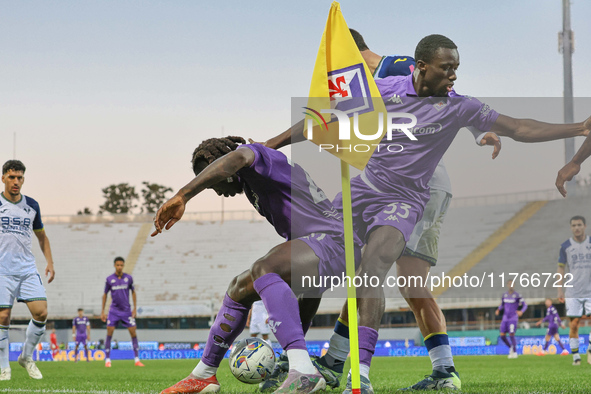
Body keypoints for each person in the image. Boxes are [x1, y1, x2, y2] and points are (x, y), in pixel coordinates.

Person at [263, 33, 591, 392]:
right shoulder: (382, 87)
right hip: (366, 189)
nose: (453, 75)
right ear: (422, 67)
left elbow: (517, 127)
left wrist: (578, 128)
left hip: (417, 193)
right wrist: (268, 146)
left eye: (455, 68)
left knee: (385, 274)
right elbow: (324, 121)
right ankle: (317, 360)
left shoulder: (438, 92)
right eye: (447, 68)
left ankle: (359, 368)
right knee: (332, 265)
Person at [154, 136, 362, 394]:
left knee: (264, 268)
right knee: (238, 288)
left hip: (335, 241)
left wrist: (183, 195)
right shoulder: (256, 180)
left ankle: (304, 371)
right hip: (322, 248)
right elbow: (310, 291)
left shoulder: (251, 156)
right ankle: (203, 375)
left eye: (212, 180)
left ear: (223, 166)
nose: (215, 190)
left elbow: (239, 157)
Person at [0, 160, 56, 380]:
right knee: (3, 316)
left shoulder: (32, 205)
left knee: (41, 312)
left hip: (26, 268)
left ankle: (26, 356)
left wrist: (50, 262)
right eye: (12, 177)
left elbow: (42, 237)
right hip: (2, 270)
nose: (16, 182)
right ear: (3, 177)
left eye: (20, 177)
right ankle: (4, 366)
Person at [557, 216, 591, 366]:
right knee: (574, 324)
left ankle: (590, 346)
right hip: (573, 291)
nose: (576, 227)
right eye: (574, 225)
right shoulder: (565, 246)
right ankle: (576, 356)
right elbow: (561, 268)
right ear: (571, 228)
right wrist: (560, 289)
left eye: (579, 225)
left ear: (585, 226)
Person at [101, 257, 144, 368]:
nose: (119, 267)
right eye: (117, 265)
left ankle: (137, 359)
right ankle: (107, 360)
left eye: (121, 265)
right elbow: (105, 294)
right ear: (114, 265)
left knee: (133, 333)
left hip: (126, 311)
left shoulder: (128, 278)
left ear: (123, 266)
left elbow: (133, 292)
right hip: (113, 311)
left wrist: (134, 308)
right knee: (109, 333)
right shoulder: (109, 279)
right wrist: (103, 311)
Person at [495, 280, 527, 358]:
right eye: (509, 284)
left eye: (512, 284)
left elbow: (525, 305)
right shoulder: (504, 295)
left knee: (511, 334)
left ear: (514, 285)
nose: (510, 285)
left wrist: (521, 311)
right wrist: (498, 309)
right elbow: (502, 305)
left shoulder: (517, 295)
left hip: (513, 317)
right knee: (502, 335)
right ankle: (511, 348)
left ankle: (515, 352)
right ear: (507, 285)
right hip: (505, 317)